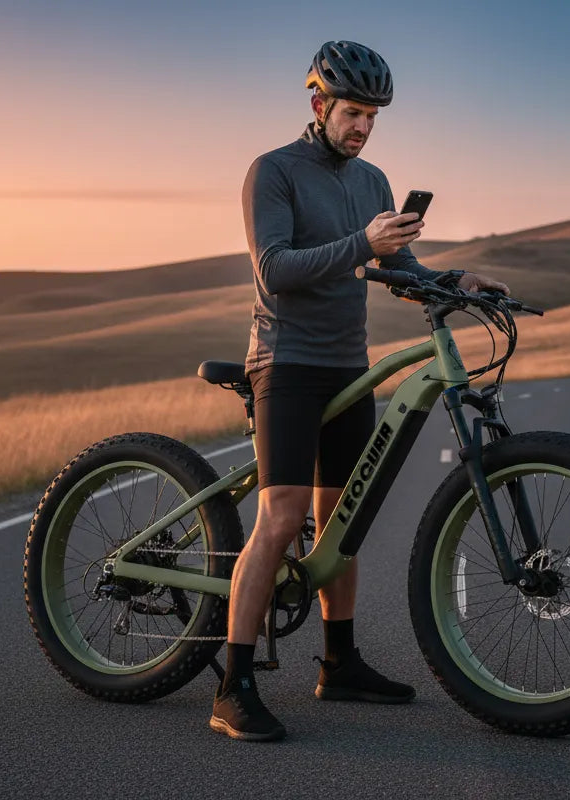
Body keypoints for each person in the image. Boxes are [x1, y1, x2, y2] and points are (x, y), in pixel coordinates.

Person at [209, 40, 509, 742]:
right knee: (282, 518)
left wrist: (454, 279)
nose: (364, 126)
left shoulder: (373, 180)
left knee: (341, 520)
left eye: (372, 116)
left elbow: (397, 266)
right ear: (319, 106)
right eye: (353, 112)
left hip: (347, 363)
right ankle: (232, 686)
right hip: (285, 362)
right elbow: (275, 268)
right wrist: (363, 247)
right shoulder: (273, 171)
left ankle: (338, 664)